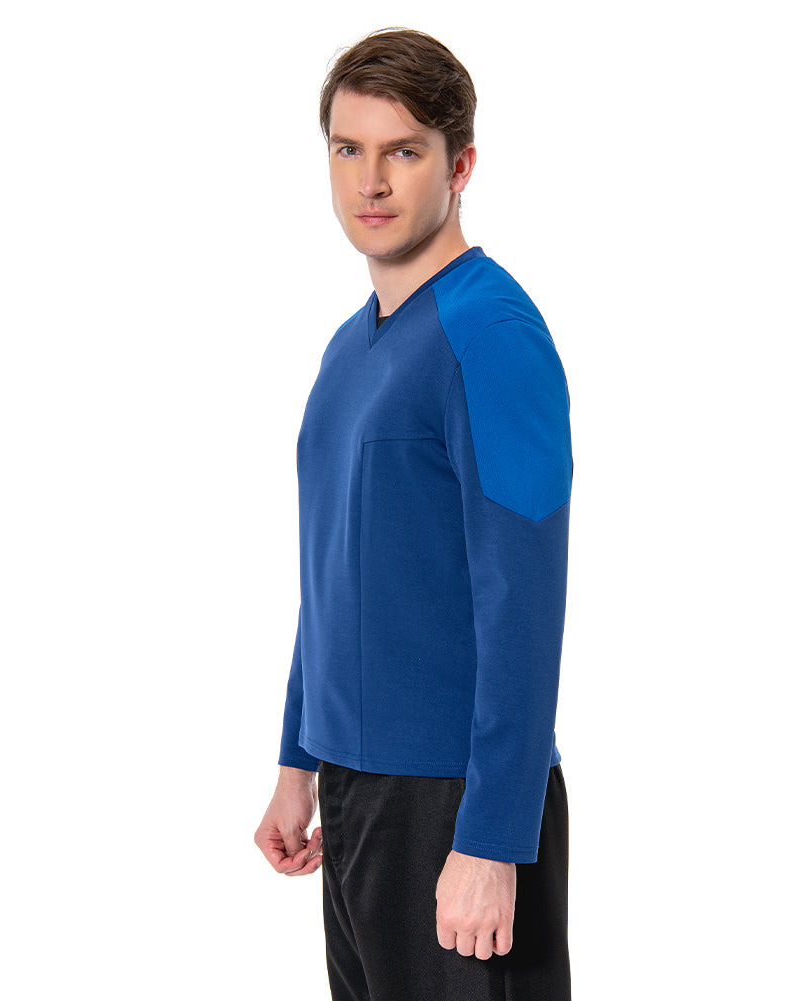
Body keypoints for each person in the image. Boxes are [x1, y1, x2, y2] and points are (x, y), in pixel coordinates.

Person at [254, 28, 573, 1001]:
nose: (371, 181)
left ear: (459, 165)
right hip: (356, 791)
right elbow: (331, 572)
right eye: (347, 149)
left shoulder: (492, 332)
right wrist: (297, 759)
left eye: (403, 150)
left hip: (455, 798)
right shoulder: (347, 351)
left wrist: (491, 835)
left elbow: (523, 595)